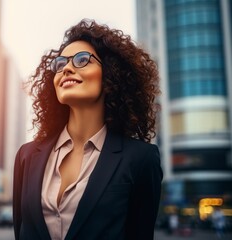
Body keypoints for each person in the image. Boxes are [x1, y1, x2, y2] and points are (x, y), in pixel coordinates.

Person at [13, 19, 163, 240]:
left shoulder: (141, 159)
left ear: (110, 74)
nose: (67, 69)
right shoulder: (26, 156)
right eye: (60, 64)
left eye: (82, 60)